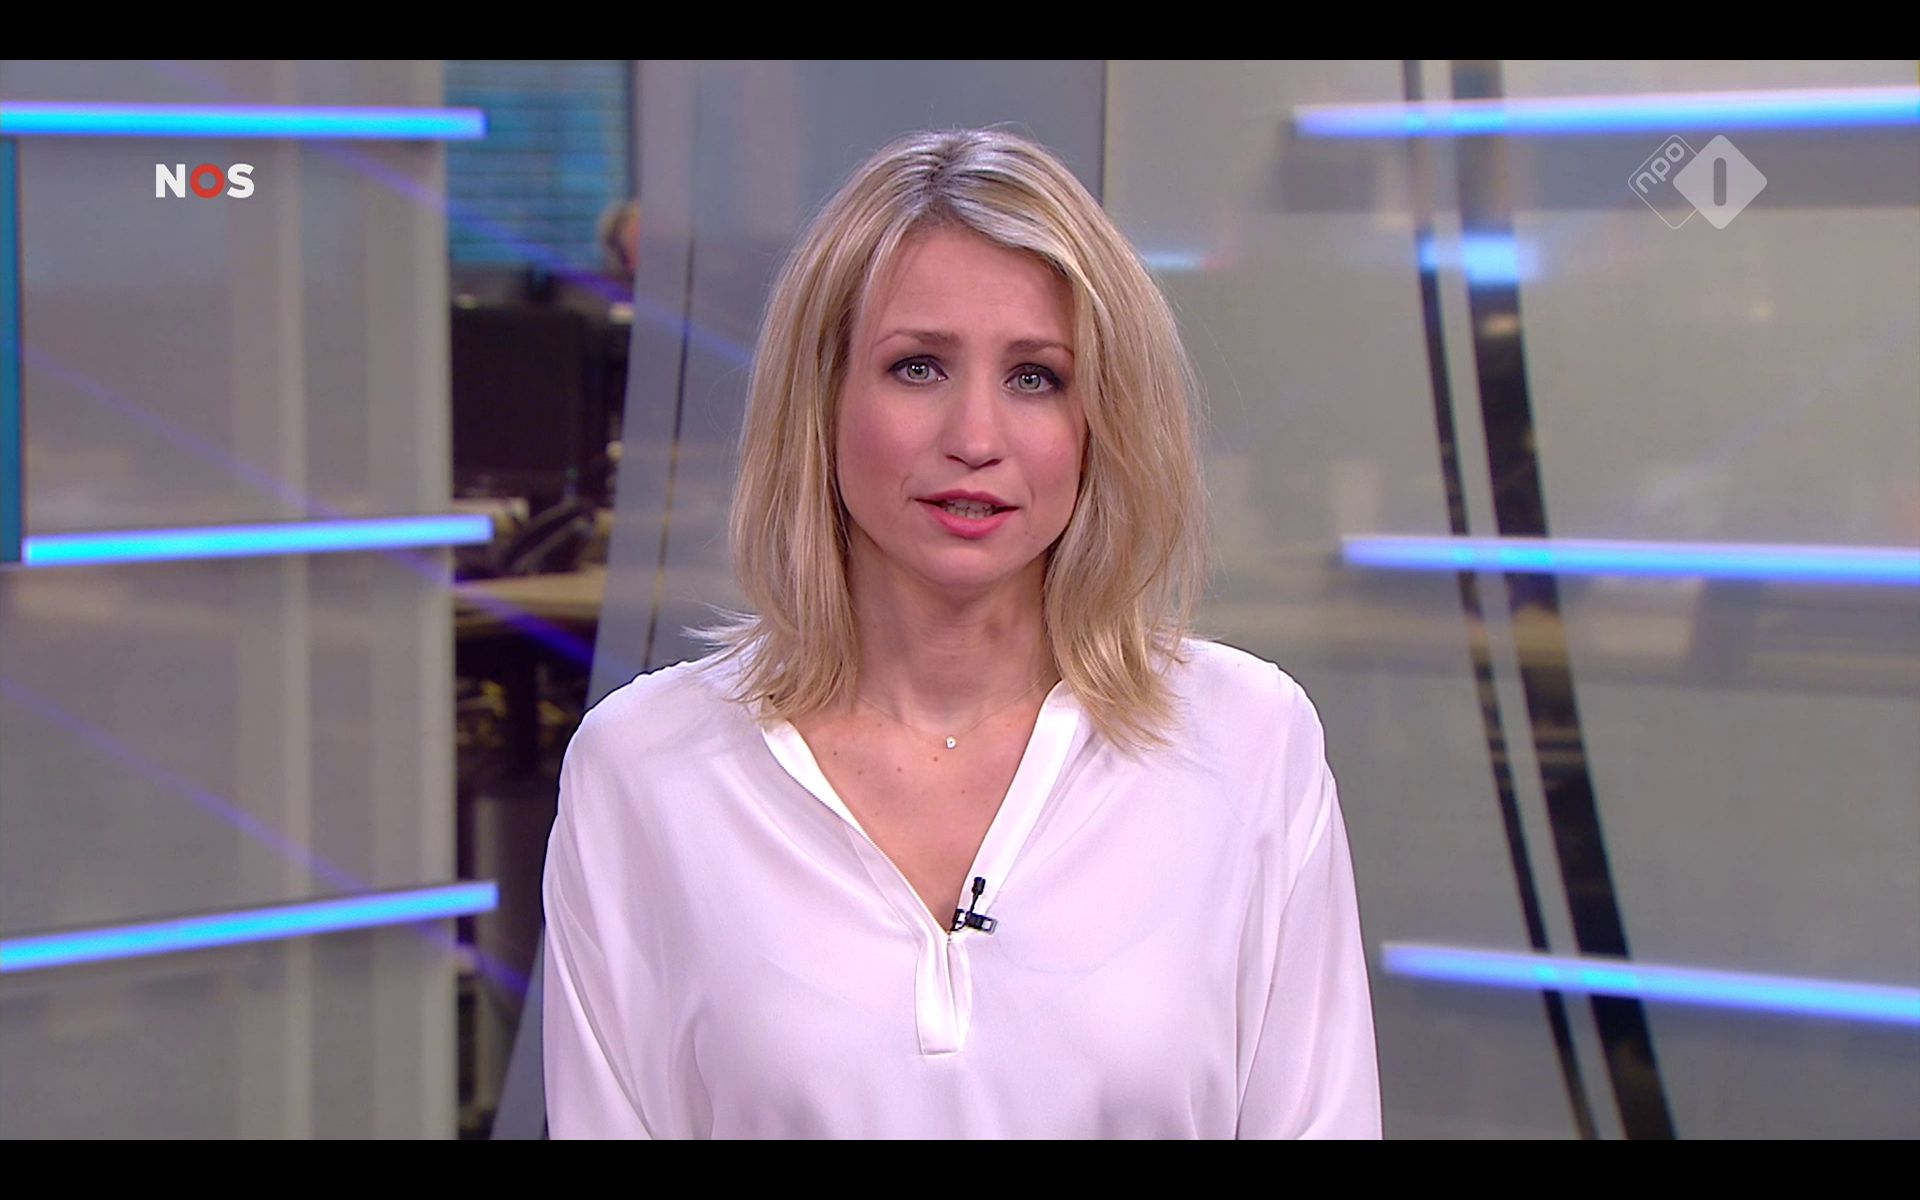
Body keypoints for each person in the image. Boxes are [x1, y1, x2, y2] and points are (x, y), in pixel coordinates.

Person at [541, 128, 1381, 1139]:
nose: (976, 439)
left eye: (1036, 377)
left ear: (1100, 421)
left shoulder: (1248, 742)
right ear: (822, 400)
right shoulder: (644, 770)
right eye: (918, 367)